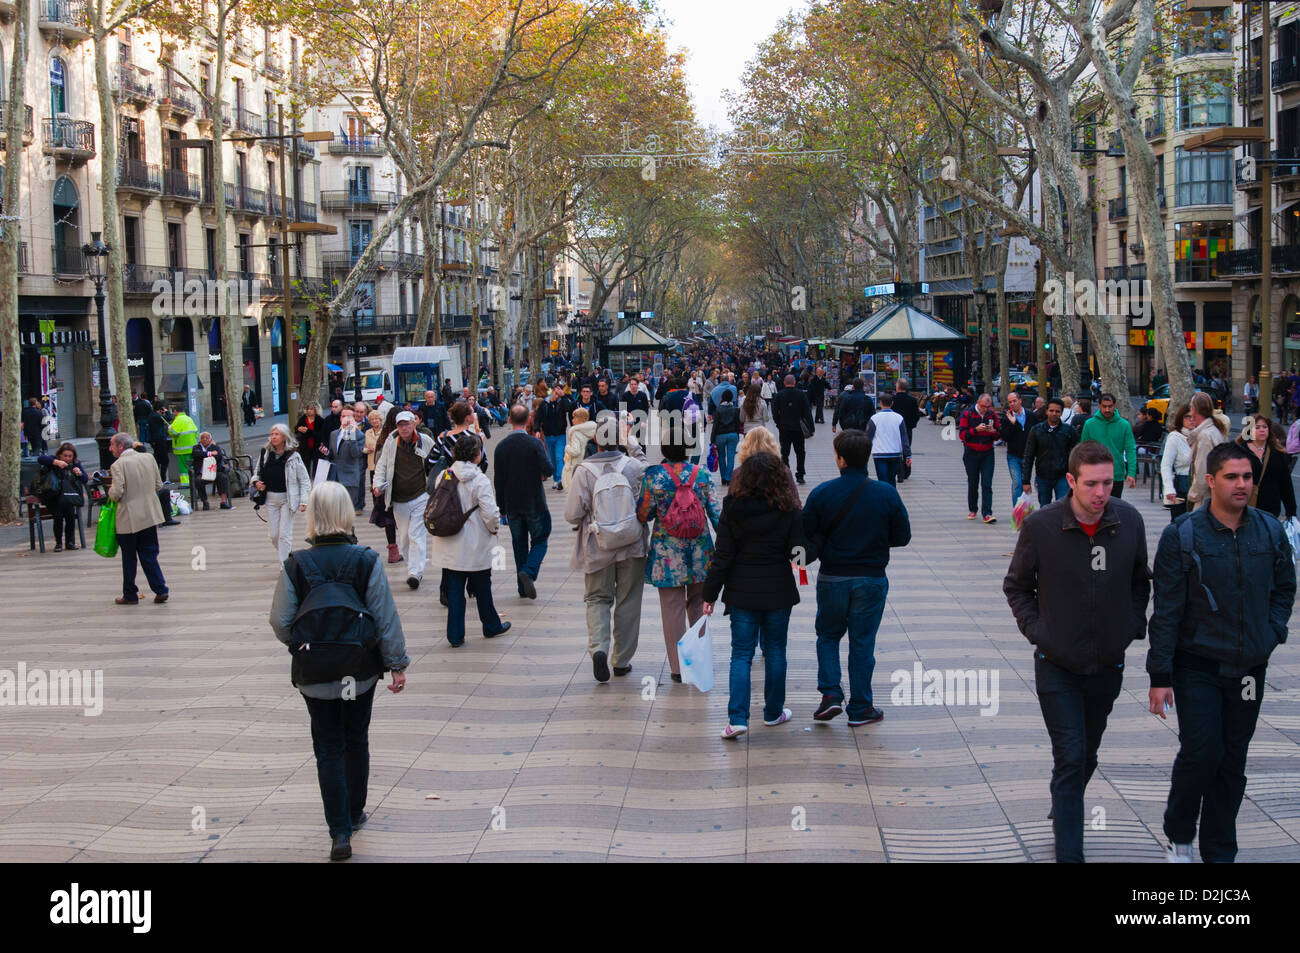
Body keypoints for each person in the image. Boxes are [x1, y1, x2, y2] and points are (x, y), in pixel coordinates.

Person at [1147, 443, 1296, 863]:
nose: (1242, 485)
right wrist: (1160, 676)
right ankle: (1179, 833)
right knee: (1202, 750)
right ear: (1210, 480)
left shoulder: (1269, 530)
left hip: (1249, 669)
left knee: (1232, 760)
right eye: (1232, 477)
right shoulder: (1183, 535)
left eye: (1247, 477)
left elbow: (1285, 587)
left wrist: (1273, 632)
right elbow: (1167, 611)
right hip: (1197, 666)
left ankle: (1219, 850)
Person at [1003, 441, 1150, 863]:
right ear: (1071, 481)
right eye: (1091, 484)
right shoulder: (1043, 526)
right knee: (1070, 755)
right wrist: (1038, 631)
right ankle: (1070, 851)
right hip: (1057, 663)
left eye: (1107, 482)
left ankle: (1062, 802)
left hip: (1107, 662)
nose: (1101, 493)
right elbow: (1016, 585)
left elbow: (1142, 580)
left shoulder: (1129, 521)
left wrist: (1131, 626)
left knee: (1087, 754)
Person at [269, 482, 410, 862]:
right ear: (347, 513)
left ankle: (339, 832)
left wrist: (300, 646)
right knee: (356, 739)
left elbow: (280, 620)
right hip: (358, 671)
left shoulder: (297, 563)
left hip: (316, 675)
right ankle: (355, 811)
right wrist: (396, 663)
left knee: (327, 747)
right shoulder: (365, 560)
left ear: (313, 515)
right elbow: (384, 617)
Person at [802, 430, 910, 725]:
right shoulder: (886, 493)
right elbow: (903, 537)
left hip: (833, 578)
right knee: (862, 643)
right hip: (871, 578)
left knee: (827, 636)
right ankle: (861, 707)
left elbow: (804, 536)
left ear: (840, 459)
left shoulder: (822, 493)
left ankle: (830, 694)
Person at [703, 452, 805, 738]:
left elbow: (722, 555)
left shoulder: (732, 507)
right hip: (778, 591)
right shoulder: (789, 509)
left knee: (741, 655)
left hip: (742, 592)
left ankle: (737, 718)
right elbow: (799, 554)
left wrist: (709, 594)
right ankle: (773, 712)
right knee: (775, 651)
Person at [565, 412, 650, 682]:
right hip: (632, 545)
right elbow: (646, 473)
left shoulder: (584, 472)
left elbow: (572, 514)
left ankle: (599, 649)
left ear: (595, 440)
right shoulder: (632, 467)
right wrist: (632, 443)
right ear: (618, 440)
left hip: (597, 545)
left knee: (597, 598)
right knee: (628, 600)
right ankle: (621, 660)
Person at [637, 426, 722, 683]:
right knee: (698, 605)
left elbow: (643, 513)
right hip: (700, 553)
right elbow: (717, 514)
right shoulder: (702, 475)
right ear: (687, 448)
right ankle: (697, 660)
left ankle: (677, 668)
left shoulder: (653, 477)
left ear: (663, 448)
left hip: (667, 555)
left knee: (672, 609)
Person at [430, 434, 512, 646]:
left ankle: (455, 635)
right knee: (483, 586)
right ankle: (491, 625)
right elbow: (490, 513)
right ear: (477, 456)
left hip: (449, 542)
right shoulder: (479, 479)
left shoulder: (444, 476)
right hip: (475, 543)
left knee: (455, 589)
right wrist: (494, 529)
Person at [494, 404, 555, 598]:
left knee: (518, 544)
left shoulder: (501, 447)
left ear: (509, 420)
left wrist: (501, 508)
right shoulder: (534, 444)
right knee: (540, 538)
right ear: (528, 419)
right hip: (534, 502)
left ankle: (522, 587)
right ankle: (528, 572)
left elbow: (498, 480)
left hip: (512, 504)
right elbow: (548, 470)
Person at [372, 410, 437, 590]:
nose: (404, 428)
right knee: (404, 538)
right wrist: (377, 485)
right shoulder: (391, 442)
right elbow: (382, 465)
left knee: (416, 534)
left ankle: (415, 572)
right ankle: (412, 565)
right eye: (400, 425)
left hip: (421, 494)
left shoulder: (425, 441)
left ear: (413, 424)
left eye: (407, 424)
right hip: (398, 497)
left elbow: (437, 463)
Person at [106, 432, 169, 605]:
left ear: (120, 446)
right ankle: (160, 588)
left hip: (128, 518)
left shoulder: (118, 465)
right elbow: (159, 485)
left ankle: (130, 594)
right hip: (149, 515)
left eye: (111, 445)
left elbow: (117, 493)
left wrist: (109, 492)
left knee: (129, 558)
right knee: (149, 554)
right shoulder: (148, 458)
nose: (110, 448)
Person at [253, 423, 313, 562]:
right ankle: (287, 554)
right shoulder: (265, 453)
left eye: (277, 434)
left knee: (284, 535)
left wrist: (304, 501)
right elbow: (256, 473)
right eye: (272, 434)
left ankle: (285, 565)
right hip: (270, 499)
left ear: (284, 437)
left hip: (288, 499)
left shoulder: (294, 456)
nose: (273, 437)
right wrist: (256, 482)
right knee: (274, 535)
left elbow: (304, 480)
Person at [1238, 414, 1297, 521]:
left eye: (1265, 427)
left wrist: (1291, 511)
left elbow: (1286, 483)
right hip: (1245, 508)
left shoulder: (1276, 453)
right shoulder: (1240, 452)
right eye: (1257, 427)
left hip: (1270, 510)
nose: (1262, 430)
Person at [1022, 397, 1078, 506]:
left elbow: (1076, 454)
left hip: (1062, 476)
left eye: (1057, 411)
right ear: (1047, 411)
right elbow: (1029, 456)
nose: (1054, 414)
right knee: (1045, 508)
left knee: (1063, 507)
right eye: (1051, 410)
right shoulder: (1036, 430)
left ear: (1061, 413)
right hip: (1043, 476)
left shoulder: (1069, 430)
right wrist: (1026, 481)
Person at [1080, 393, 1137, 498]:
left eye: (1110, 406)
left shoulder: (1124, 425)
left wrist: (1132, 473)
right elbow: (1083, 450)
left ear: (1114, 406)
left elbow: (1130, 450)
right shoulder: (1089, 424)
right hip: (1094, 473)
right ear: (1099, 406)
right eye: (1104, 406)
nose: (1107, 409)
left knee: (1113, 508)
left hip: (1116, 474)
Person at [37, 441, 88, 550]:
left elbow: (85, 479)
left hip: (68, 496)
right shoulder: (53, 460)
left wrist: (79, 473)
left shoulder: (75, 464)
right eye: (65, 456)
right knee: (58, 517)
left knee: (70, 516)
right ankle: (58, 543)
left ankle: (70, 542)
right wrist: (56, 462)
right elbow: (41, 459)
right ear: (60, 454)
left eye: (70, 456)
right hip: (53, 496)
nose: (67, 458)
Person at [959, 393, 1001, 523]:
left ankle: (987, 513)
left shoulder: (991, 415)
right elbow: (962, 434)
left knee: (987, 483)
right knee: (973, 482)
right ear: (978, 403)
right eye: (983, 406)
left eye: (988, 407)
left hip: (988, 452)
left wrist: (993, 432)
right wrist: (975, 430)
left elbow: (999, 434)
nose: (985, 409)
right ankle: (973, 508)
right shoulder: (968, 414)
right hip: (971, 452)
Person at [367, 408, 402, 564]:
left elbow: (377, 463)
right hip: (397, 484)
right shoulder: (391, 439)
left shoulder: (383, 438)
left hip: (387, 485)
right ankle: (399, 550)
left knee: (389, 518)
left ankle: (393, 550)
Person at [1184, 392, 1229, 511]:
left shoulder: (1205, 436)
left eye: (1191, 407)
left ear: (1195, 409)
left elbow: (1201, 471)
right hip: (1213, 495)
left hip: (1206, 499)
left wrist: (1192, 496)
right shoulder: (1215, 430)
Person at [772, 374, 815, 485]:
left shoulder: (779, 395)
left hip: (784, 428)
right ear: (794, 382)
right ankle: (800, 475)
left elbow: (774, 412)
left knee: (785, 452)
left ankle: (786, 473)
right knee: (800, 452)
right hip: (798, 429)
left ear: (785, 383)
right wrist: (811, 427)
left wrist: (778, 424)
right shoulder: (801, 395)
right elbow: (807, 412)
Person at [865, 392, 910, 488]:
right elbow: (904, 438)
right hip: (895, 453)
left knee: (882, 480)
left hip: (879, 454)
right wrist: (908, 455)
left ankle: (883, 500)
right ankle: (892, 498)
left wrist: (865, 453)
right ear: (892, 403)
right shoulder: (899, 418)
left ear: (880, 403)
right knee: (892, 479)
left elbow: (868, 437)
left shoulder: (874, 418)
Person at [328, 407, 367, 514]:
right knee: (335, 511)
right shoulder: (334, 434)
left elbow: (356, 454)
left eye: (349, 417)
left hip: (349, 478)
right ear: (340, 418)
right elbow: (334, 455)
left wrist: (351, 434)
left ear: (354, 419)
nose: (346, 419)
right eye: (343, 416)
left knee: (346, 513)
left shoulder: (359, 435)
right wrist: (326, 453)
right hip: (335, 477)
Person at [1160, 403, 1193, 521]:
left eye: (1193, 416)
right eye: (1187, 417)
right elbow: (1166, 465)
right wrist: (1169, 489)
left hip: (1199, 489)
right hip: (1181, 488)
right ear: (1181, 418)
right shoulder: (1175, 438)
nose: (1191, 420)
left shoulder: (1201, 436)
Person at [537, 383, 573, 491]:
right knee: (552, 459)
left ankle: (560, 480)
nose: (557, 393)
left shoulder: (562, 402)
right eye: (555, 391)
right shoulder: (545, 403)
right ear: (552, 391)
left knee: (559, 457)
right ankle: (556, 478)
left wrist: (564, 396)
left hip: (560, 434)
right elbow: (538, 417)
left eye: (559, 391)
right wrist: (537, 430)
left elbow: (570, 408)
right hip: (548, 435)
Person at [191, 432, 233, 510]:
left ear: (210, 440)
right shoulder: (196, 447)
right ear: (200, 440)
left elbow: (219, 456)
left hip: (214, 472)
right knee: (198, 480)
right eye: (202, 438)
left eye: (207, 438)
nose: (205, 440)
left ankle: (223, 502)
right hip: (202, 473)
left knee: (223, 478)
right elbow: (196, 455)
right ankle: (205, 502)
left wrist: (205, 454)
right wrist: (210, 453)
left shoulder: (215, 447)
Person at [1001, 392, 1030, 506]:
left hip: (1028, 456)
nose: (1012, 404)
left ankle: (1025, 509)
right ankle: (1017, 510)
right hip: (1013, 455)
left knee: (1026, 484)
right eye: (1010, 402)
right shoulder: (1007, 417)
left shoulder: (1030, 415)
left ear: (1020, 400)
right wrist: (1012, 424)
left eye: (1014, 401)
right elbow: (1005, 437)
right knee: (1017, 483)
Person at [562, 407, 598, 491]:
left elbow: (575, 451)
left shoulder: (576, 433)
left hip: (577, 464)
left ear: (580, 419)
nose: (572, 420)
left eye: (574, 417)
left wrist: (567, 448)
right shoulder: (593, 430)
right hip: (589, 462)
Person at [711, 390, 743, 485]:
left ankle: (723, 477)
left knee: (721, 456)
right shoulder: (735, 409)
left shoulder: (718, 409)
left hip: (720, 435)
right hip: (732, 434)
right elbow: (738, 424)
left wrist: (712, 438)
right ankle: (729, 477)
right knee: (731, 456)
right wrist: (737, 435)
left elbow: (715, 425)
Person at [892, 379, 920, 476]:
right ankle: (906, 471)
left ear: (897, 387)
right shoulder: (912, 400)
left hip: (894, 429)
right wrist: (912, 425)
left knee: (895, 449)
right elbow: (916, 415)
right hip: (907, 428)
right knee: (906, 448)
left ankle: (898, 470)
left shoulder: (893, 400)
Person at [295, 403, 326, 479]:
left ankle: (315, 481)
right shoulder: (303, 419)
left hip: (316, 447)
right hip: (305, 447)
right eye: (308, 409)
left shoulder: (320, 420)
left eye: (311, 409)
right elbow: (296, 428)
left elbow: (320, 435)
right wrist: (298, 429)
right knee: (305, 465)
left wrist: (308, 431)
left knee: (316, 466)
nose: (309, 411)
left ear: (316, 410)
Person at [145, 400, 171, 480]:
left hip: (156, 440)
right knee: (165, 460)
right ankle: (162, 478)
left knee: (158, 459)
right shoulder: (156, 416)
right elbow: (168, 418)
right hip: (159, 440)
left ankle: (158, 478)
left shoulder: (152, 415)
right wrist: (167, 412)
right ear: (161, 409)